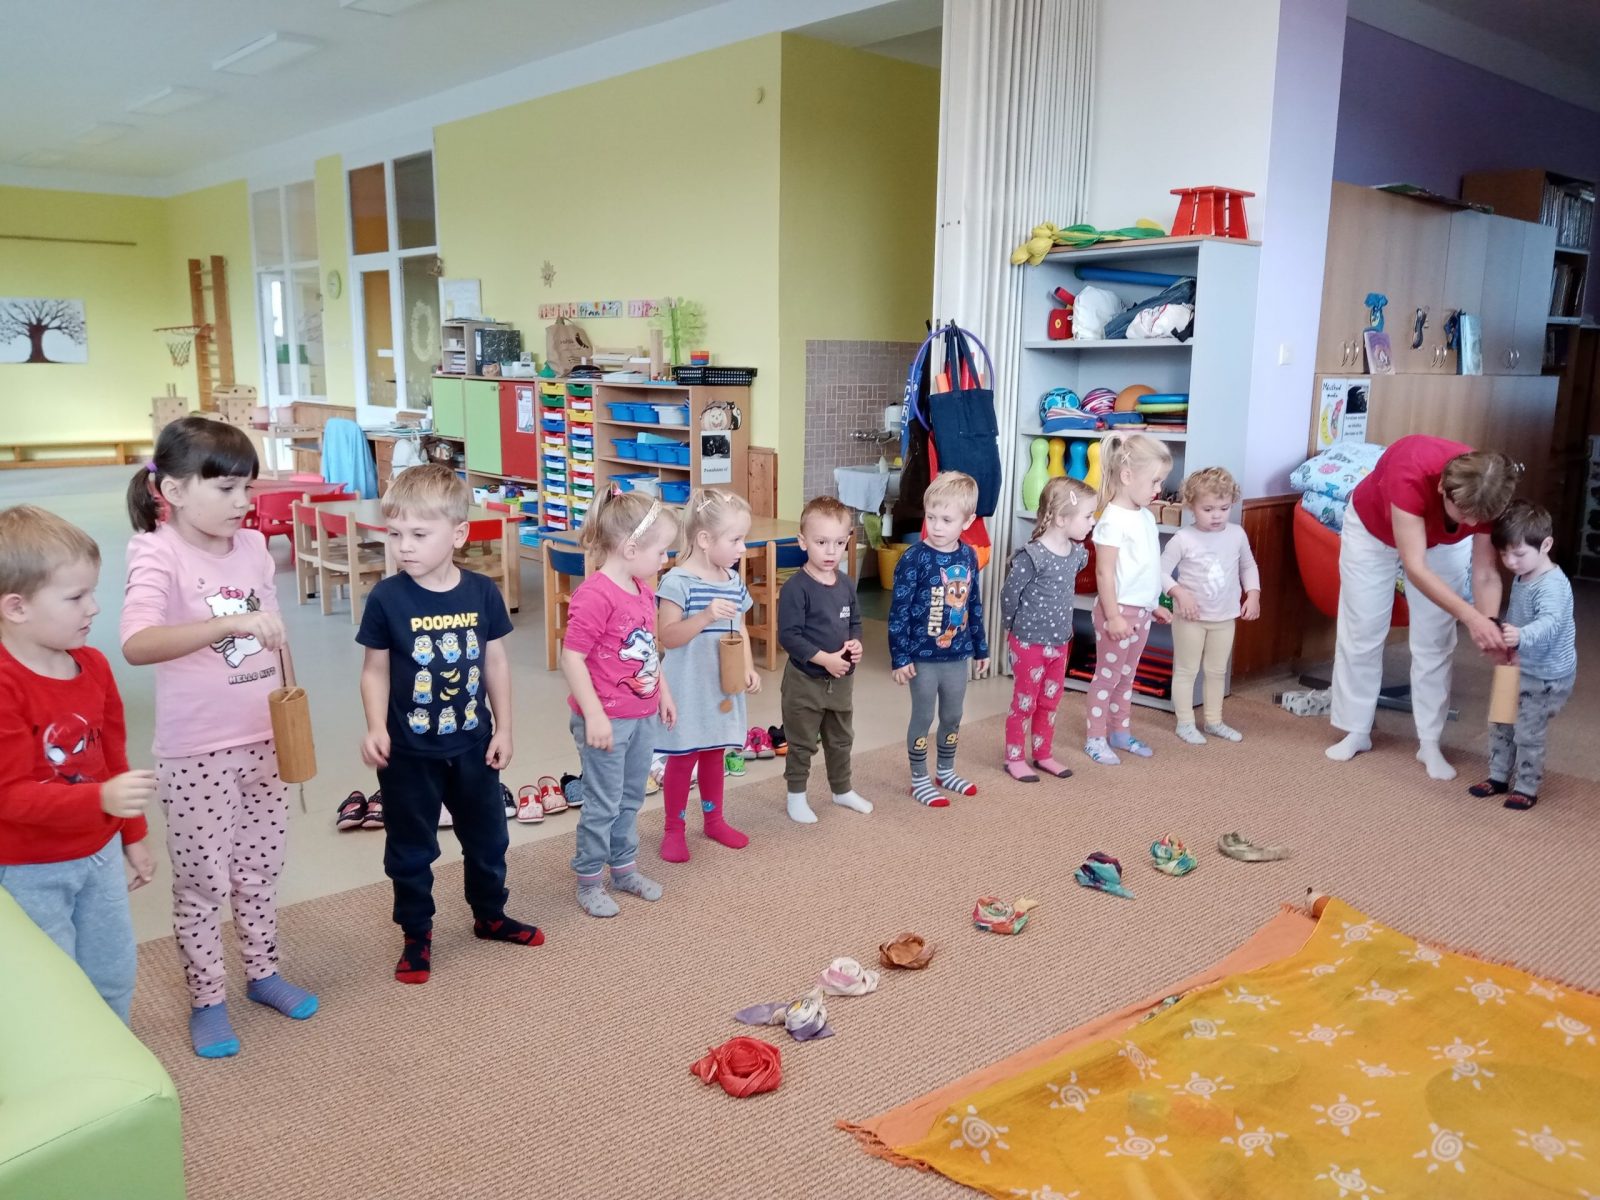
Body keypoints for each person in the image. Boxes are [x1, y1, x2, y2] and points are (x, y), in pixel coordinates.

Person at [121, 416, 316, 1058]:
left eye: (247, 488)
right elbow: (137, 642)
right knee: (204, 883)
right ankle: (207, 999)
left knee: (259, 868)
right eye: (226, 489)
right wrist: (228, 626)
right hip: (197, 752)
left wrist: (289, 710)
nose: (242, 503)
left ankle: (262, 972)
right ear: (173, 491)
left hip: (264, 737)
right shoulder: (156, 552)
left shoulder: (254, 547)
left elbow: (272, 632)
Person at [357, 464, 539, 985]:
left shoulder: (481, 592)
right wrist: (375, 727)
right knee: (411, 850)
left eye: (419, 534)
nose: (404, 547)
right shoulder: (387, 598)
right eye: (395, 534)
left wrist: (504, 728)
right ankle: (416, 932)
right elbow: (374, 671)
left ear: (458, 534)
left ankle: (490, 915)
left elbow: (495, 663)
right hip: (408, 754)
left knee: (489, 839)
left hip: (474, 746)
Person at [0, 506, 156, 1024]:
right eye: (75, 597)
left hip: (99, 854)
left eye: (93, 591)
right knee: (49, 987)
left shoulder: (93, 665)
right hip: (28, 868)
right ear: (17, 607)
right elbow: (9, 795)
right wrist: (101, 799)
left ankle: (115, 1056)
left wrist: (132, 834)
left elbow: (113, 757)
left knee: (113, 972)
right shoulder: (6, 685)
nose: (94, 607)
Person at [1326, 435, 1520, 779]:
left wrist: (1489, 623)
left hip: (1443, 544)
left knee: (1436, 639)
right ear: (1443, 487)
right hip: (1373, 531)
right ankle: (1356, 729)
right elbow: (1415, 568)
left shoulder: (1490, 494)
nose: (1471, 525)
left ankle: (1429, 742)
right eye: (1465, 514)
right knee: (1363, 630)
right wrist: (1470, 616)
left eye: (1478, 520)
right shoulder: (1410, 471)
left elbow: (1486, 572)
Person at [560, 488, 679, 917]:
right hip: (606, 723)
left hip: (641, 716)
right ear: (630, 549)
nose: (664, 559)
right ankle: (589, 878)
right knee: (603, 803)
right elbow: (572, 657)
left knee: (631, 798)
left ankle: (624, 868)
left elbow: (648, 650)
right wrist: (594, 715)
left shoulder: (642, 590)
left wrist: (663, 693)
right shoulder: (596, 595)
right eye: (661, 551)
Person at [655, 488, 757, 863]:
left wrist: (748, 666)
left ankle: (714, 820)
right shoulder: (677, 582)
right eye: (735, 540)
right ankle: (673, 829)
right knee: (683, 757)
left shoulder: (732, 579)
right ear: (704, 539)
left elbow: (741, 627)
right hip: (687, 687)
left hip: (721, 687)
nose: (742, 548)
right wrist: (706, 615)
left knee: (715, 752)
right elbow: (667, 637)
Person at [888, 471, 990, 806]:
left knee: (952, 715)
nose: (936, 526)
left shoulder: (968, 556)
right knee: (923, 716)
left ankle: (945, 771)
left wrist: (981, 647)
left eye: (947, 520)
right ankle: (919, 778)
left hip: (957, 656)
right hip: (922, 658)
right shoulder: (913, 558)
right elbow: (899, 611)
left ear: (967, 521)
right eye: (931, 517)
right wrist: (900, 657)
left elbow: (973, 603)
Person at [1469, 501, 1577, 811]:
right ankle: (1498, 775)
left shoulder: (1552, 585)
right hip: (1516, 664)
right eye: (1504, 554)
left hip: (1545, 674)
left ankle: (1527, 786)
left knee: (1528, 732)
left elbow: (1550, 623)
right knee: (1501, 721)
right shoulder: (1523, 575)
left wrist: (1520, 636)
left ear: (1546, 545)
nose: (1510, 562)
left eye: (1518, 554)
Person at [778, 495, 870, 822]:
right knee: (802, 742)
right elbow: (789, 636)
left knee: (841, 739)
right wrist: (825, 660)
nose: (831, 551)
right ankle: (796, 796)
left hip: (841, 681)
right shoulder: (796, 588)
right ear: (803, 542)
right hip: (804, 682)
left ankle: (841, 789)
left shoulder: (845, 584)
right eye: (821, 542)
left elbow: (855, 622)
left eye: (839, 543)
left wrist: (856, 643)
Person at [1084, 433, 1174, 765]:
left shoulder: (1146, 516)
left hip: (1141, 613)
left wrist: (1154, 604)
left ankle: (1119, 732)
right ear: (1126, 476)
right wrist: (1113, 616)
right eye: (1154, 481)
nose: (1158, 489)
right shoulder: (1111, 520)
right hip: (1117, 612)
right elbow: (1105, 573)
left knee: (1126, 677)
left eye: (1161, 481)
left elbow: (1145, 566)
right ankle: (1095, 738)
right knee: (1107, 678)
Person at [1000, 477, 1094, 782]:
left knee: (1050, 701)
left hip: (1060, 642)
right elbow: (1009, 596)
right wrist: (1010, 628)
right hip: (1028, 642)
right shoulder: (1032, 556)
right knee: (1024, 702)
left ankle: (1043, 753)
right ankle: (1014, 757)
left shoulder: (1077, 553)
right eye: (1088, 516)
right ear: (1062, 518)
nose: (1093, 522)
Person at [1161, 466, 1261, 744]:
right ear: (1191, 506)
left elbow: (1248, 566)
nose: (1217, 515)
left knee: (1217, 671)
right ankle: (1184, 723)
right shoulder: (1183, 539)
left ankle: (1214, 721)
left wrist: (1253, 594)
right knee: (1186, 670)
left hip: (1224, 617)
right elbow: (1160, 571)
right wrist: (1179, 593)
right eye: (1208, 509)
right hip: (1190, 619)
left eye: (1223, 508)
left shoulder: (1237, 534)